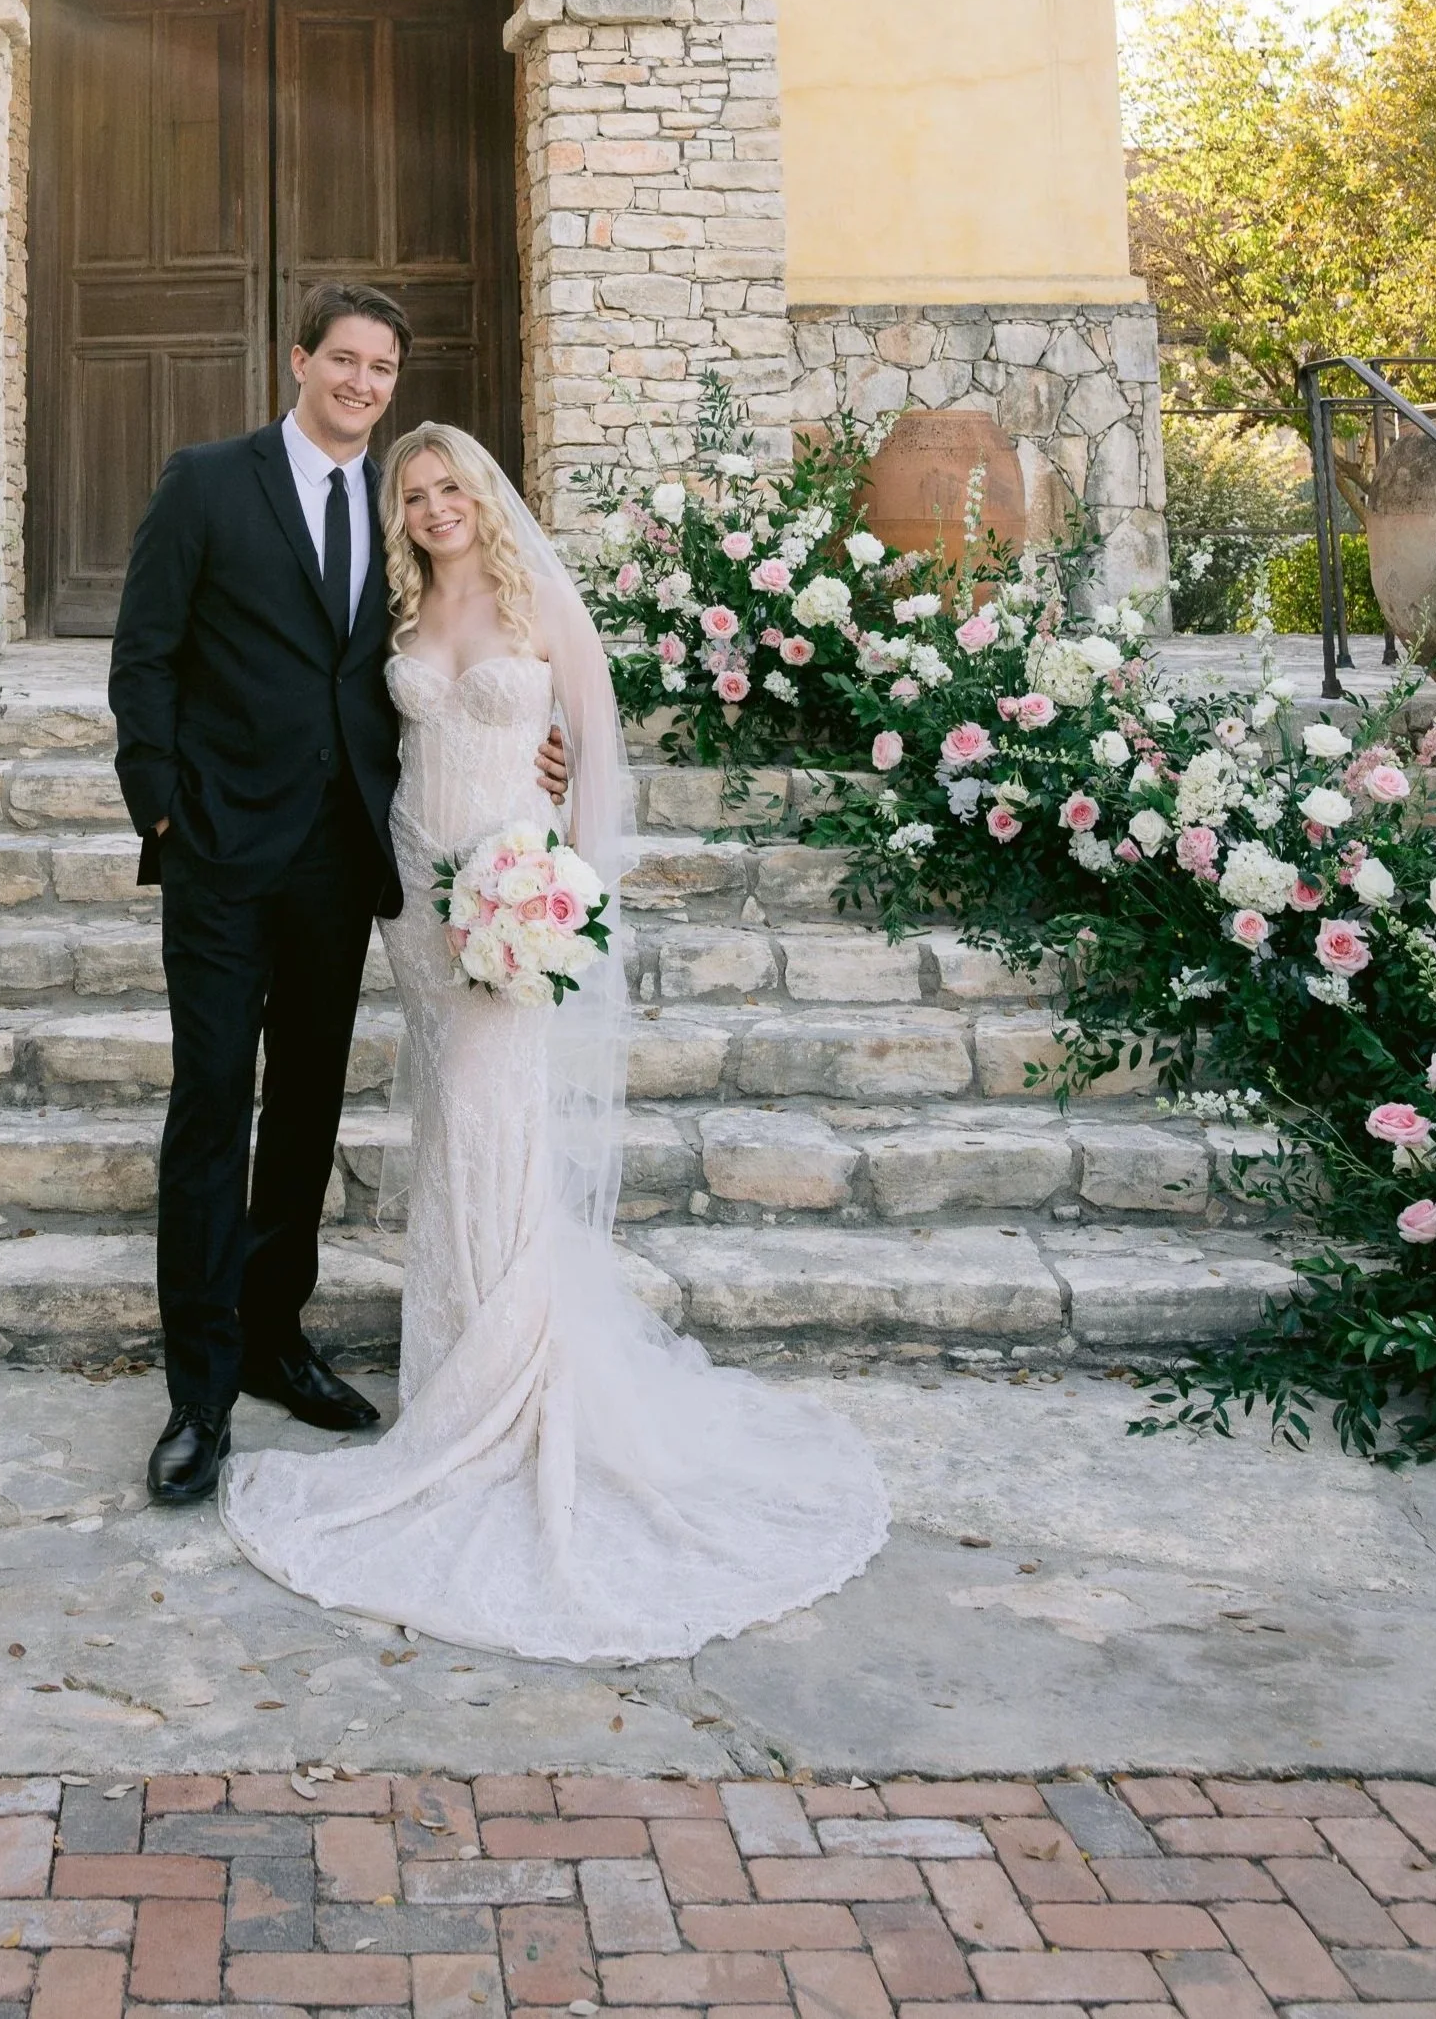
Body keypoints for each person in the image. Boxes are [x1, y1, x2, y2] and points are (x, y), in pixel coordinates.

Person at [219, 422, 890, 1661]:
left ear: (481, 492)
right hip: (419, 896)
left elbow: (592, 749)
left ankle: (505, 1388)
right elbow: (368, 730)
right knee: (447, 1122)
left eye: (446, 486)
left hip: (512, 887)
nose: (430, 506)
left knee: (486, 1113)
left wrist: (561, 881)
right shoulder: (398, 612)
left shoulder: (537, 600)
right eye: (409, 494)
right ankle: (455, 1365)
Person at [110, 288, 566, 1509]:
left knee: (306, 1107)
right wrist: (158, 804)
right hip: (217, 851)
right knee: (214, 1105)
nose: (362, 382)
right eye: (343, 361)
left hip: (342, 863)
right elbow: (143, 648)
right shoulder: (206, 480)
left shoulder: (398, 507)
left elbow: (448, 654)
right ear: (299, 359)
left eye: (381, 368)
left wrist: (538, 744)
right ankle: (198, 1393)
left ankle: (273, 1332)